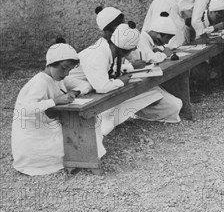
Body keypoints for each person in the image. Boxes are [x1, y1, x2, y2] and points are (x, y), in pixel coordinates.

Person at [65, 22, 182, 135]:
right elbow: (102, 87)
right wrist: (121, 81)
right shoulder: (98, 54)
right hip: (76, 89)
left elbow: (108, 70)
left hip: (94, 86)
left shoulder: (109, 49)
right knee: (106, 122)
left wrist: (130, 68)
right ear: (125, 51)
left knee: (157, 96)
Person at [12, 40, 106, 176]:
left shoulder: (59, 78)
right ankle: (80, 158)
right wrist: (54, 101)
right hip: (36, 135)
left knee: (89, 124)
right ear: (51, 63)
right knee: (79, 136)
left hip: (49, 126)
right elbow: (24, 110)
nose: (66, 73)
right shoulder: (39, 82)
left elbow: (86, 85)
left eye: (69, 69)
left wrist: (74, 92)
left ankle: (84, 157)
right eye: (63, 68)